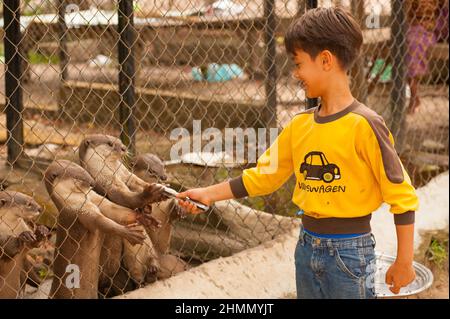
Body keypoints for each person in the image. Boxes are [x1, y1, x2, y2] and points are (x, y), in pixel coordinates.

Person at [177, 7, 419, 299]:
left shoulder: (365, 125)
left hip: (350, 252)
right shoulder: (300, 125)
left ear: (326, 60)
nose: (295, 74)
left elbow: (402, 196)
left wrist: (404, 261)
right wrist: (207, 194)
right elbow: (263, 178)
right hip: (306, 247)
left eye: (299, 63)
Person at [405, 0, 439, 113]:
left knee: (412, 44)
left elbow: (434, 21)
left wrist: (426, 22)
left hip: (428, 32)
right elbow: (408, 16)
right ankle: (415, 97)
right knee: (407, 42)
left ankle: (414, 97)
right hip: (413, 29)